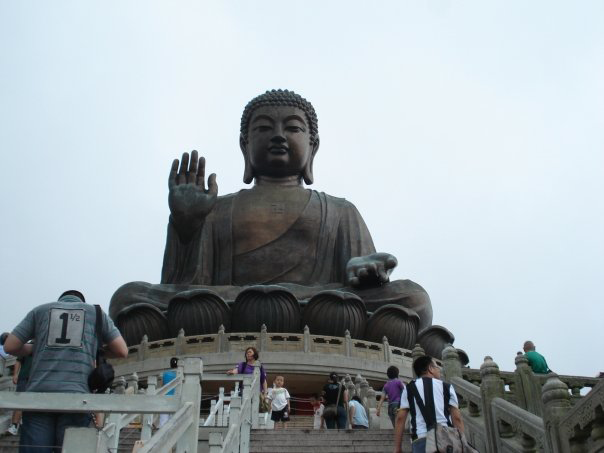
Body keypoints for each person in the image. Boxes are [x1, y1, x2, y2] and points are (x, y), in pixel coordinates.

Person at [109, 89, 433, 350]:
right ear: (244, 145)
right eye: (264, 128)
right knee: (127, 298)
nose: (278, 135)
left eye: (292, 128)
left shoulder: (339, 210)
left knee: (414, 298)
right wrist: (187, 227)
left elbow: (359, 276)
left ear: (313, 146)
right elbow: (187, 287)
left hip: (320, 305)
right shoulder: (217, 209)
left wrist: (363, 271)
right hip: (231, 306)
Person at [3, 290, 128, 453]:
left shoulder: (40, 311)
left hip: (39, 397)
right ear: (81, 301)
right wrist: (94, 350)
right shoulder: (95, 313)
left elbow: (10, 347)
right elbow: (122, 351)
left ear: (60, 300)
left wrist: (37, 347)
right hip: (77, 397)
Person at [393, 356, 465, 453]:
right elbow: (457, 418)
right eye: (436, 367)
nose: (439, 370)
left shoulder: (409, 388)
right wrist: (463, 444)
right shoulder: (447, 387)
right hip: (445, 440)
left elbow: (400, 419)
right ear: (430, 369)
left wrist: (397, 448)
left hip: (420, 439)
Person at [6, 352, 33, 435]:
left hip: (37, 379)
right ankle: (14, 425)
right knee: (19, 401)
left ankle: (17, 423)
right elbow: (18, 361)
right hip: (24, 378)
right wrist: (15, 375)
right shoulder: (28, 347)